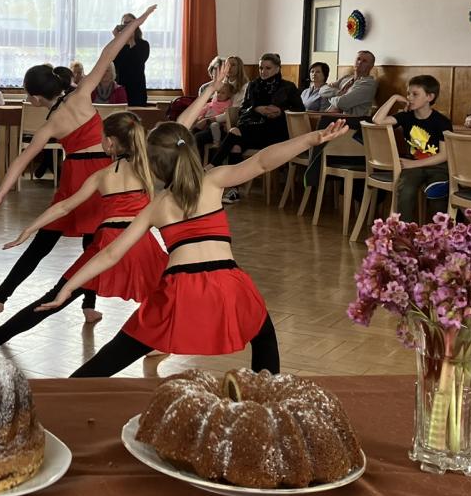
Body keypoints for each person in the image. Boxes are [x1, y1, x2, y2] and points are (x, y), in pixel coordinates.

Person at [41, 107, 349, 377]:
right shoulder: (214, 181)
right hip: (228, 282)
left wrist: (68, 288)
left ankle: (68, 393)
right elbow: (262, 162)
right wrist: (311, 139)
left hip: (181, 290)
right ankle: (267, 402)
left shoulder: (157, 206)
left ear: (155, 167)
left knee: (117, 352)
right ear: (189, 150)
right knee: (264, 337)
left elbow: (111, 254)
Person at [0, 6, 155, 323]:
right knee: (93, 241)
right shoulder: (82, 94)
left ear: (35, 98)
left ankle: (0, 299)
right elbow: (108, 53)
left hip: (78, 177)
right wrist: (136, 24)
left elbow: (21, 160)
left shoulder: (50, 125)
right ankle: (87, 306)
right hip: (103, 171)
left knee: (43, 245)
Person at [0, 111, 164, 352]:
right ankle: (159, 342)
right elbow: (183, 125)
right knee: (161, 295)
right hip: (140, 243)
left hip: (107, 244)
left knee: (54, 299)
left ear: (109, 142)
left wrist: (29, 229)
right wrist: (204, 96)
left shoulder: (102, 176)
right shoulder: (147, 168)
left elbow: (64, 207)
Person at [208, 53, 305, 202]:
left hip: (277, 131)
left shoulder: (288, 86)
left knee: (235, 135)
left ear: (277, 68)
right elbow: (243, 109)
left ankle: (211, 168)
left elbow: (300, 110)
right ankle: (233, 190)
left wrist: (280, 111)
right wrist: (257, 109)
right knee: (235, 145)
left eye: (268, 68)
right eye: (261, 68)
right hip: (254, 128)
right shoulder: (253, 85)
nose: (263, 71)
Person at [371, 74, 452, 217]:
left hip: (437, 167)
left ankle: (439, 229)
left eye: (415, 94)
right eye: (408, 93)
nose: (409, 98)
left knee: (437, 191)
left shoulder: (442, 122)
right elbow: (377, 120)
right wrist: (394, 98)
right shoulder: (405, 116)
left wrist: (413, 164)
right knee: (406, 189)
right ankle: (404, 228)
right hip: (413, 167)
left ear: (429, 97)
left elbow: (444, 155)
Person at [317, 49, 377, 117]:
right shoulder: (346, 78)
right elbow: (322, 90)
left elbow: (341, 103)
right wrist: (337, 93)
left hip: (351, 119)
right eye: (358, 59)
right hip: (330, 115)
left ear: (371, 66)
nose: (360, 62)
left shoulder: (368, 84)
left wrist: (329, 96)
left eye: (364, 61)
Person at [112, 12, 150, 107]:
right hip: (120, 88)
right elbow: (113, 64)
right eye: (124, 23)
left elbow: (138, 62)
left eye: (130, 23)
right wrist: (117, 38)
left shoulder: (143, 44)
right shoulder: (118, 45)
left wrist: (131, 40)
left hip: (137, 89)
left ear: (136, 25)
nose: (127, 26)